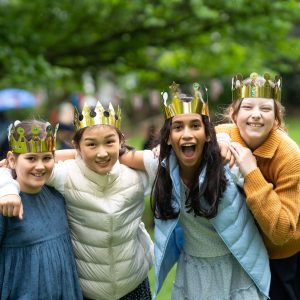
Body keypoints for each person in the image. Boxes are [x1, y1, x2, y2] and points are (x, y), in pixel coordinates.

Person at [120, 82, 271, 299]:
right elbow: (117, 154)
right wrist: (55, 155)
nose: (187, 134)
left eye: (195, 126)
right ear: (168, 138)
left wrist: (225, 141)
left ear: (208, 134)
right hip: (193, 271)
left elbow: (262, 191)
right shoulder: (162, 164)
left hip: (233, 268)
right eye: (178, 127)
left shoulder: (227, 163)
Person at [0, 102, 154, 300]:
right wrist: (6, 187)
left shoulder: (134, 176)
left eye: (46, 158)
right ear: (77, 147)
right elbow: (12, 169)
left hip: (131, 284)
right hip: (82, 291)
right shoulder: (61, 178)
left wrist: (127, 156)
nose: (101, 153)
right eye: (90, 144)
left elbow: (169, 163)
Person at [215, 72, 300, 300]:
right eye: (248, 107)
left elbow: (282, 231)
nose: (256, 115)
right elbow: (190, 139)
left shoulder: (290, 156)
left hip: (279, 257)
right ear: (234, 114)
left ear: (277, 119)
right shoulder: (224, 134)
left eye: (265, 109)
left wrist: (251, 171)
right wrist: (220, 143)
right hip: (238, 250)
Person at [0, 119, 83, 299]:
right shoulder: (6, 202)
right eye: (31, 158)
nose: (40, 166)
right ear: (12, 160)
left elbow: (85, 154)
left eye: (46, 158)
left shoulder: (58, 193)